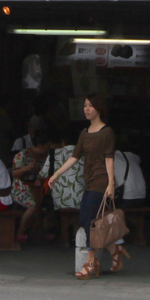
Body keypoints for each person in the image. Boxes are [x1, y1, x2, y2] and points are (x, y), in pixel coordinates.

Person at [44, 95, 121, 277]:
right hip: (89, 181)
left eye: (91, 106)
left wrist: (110, 184)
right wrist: (56, 174)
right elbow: (74, 157)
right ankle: (114, 249)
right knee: (87, 219)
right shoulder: (84, 133)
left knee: (88, 220)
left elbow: (109, 159)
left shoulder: (106, 132)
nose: (87, 109)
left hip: (101, 181)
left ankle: (91, 262)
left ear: (99, 109)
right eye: (85, 105)